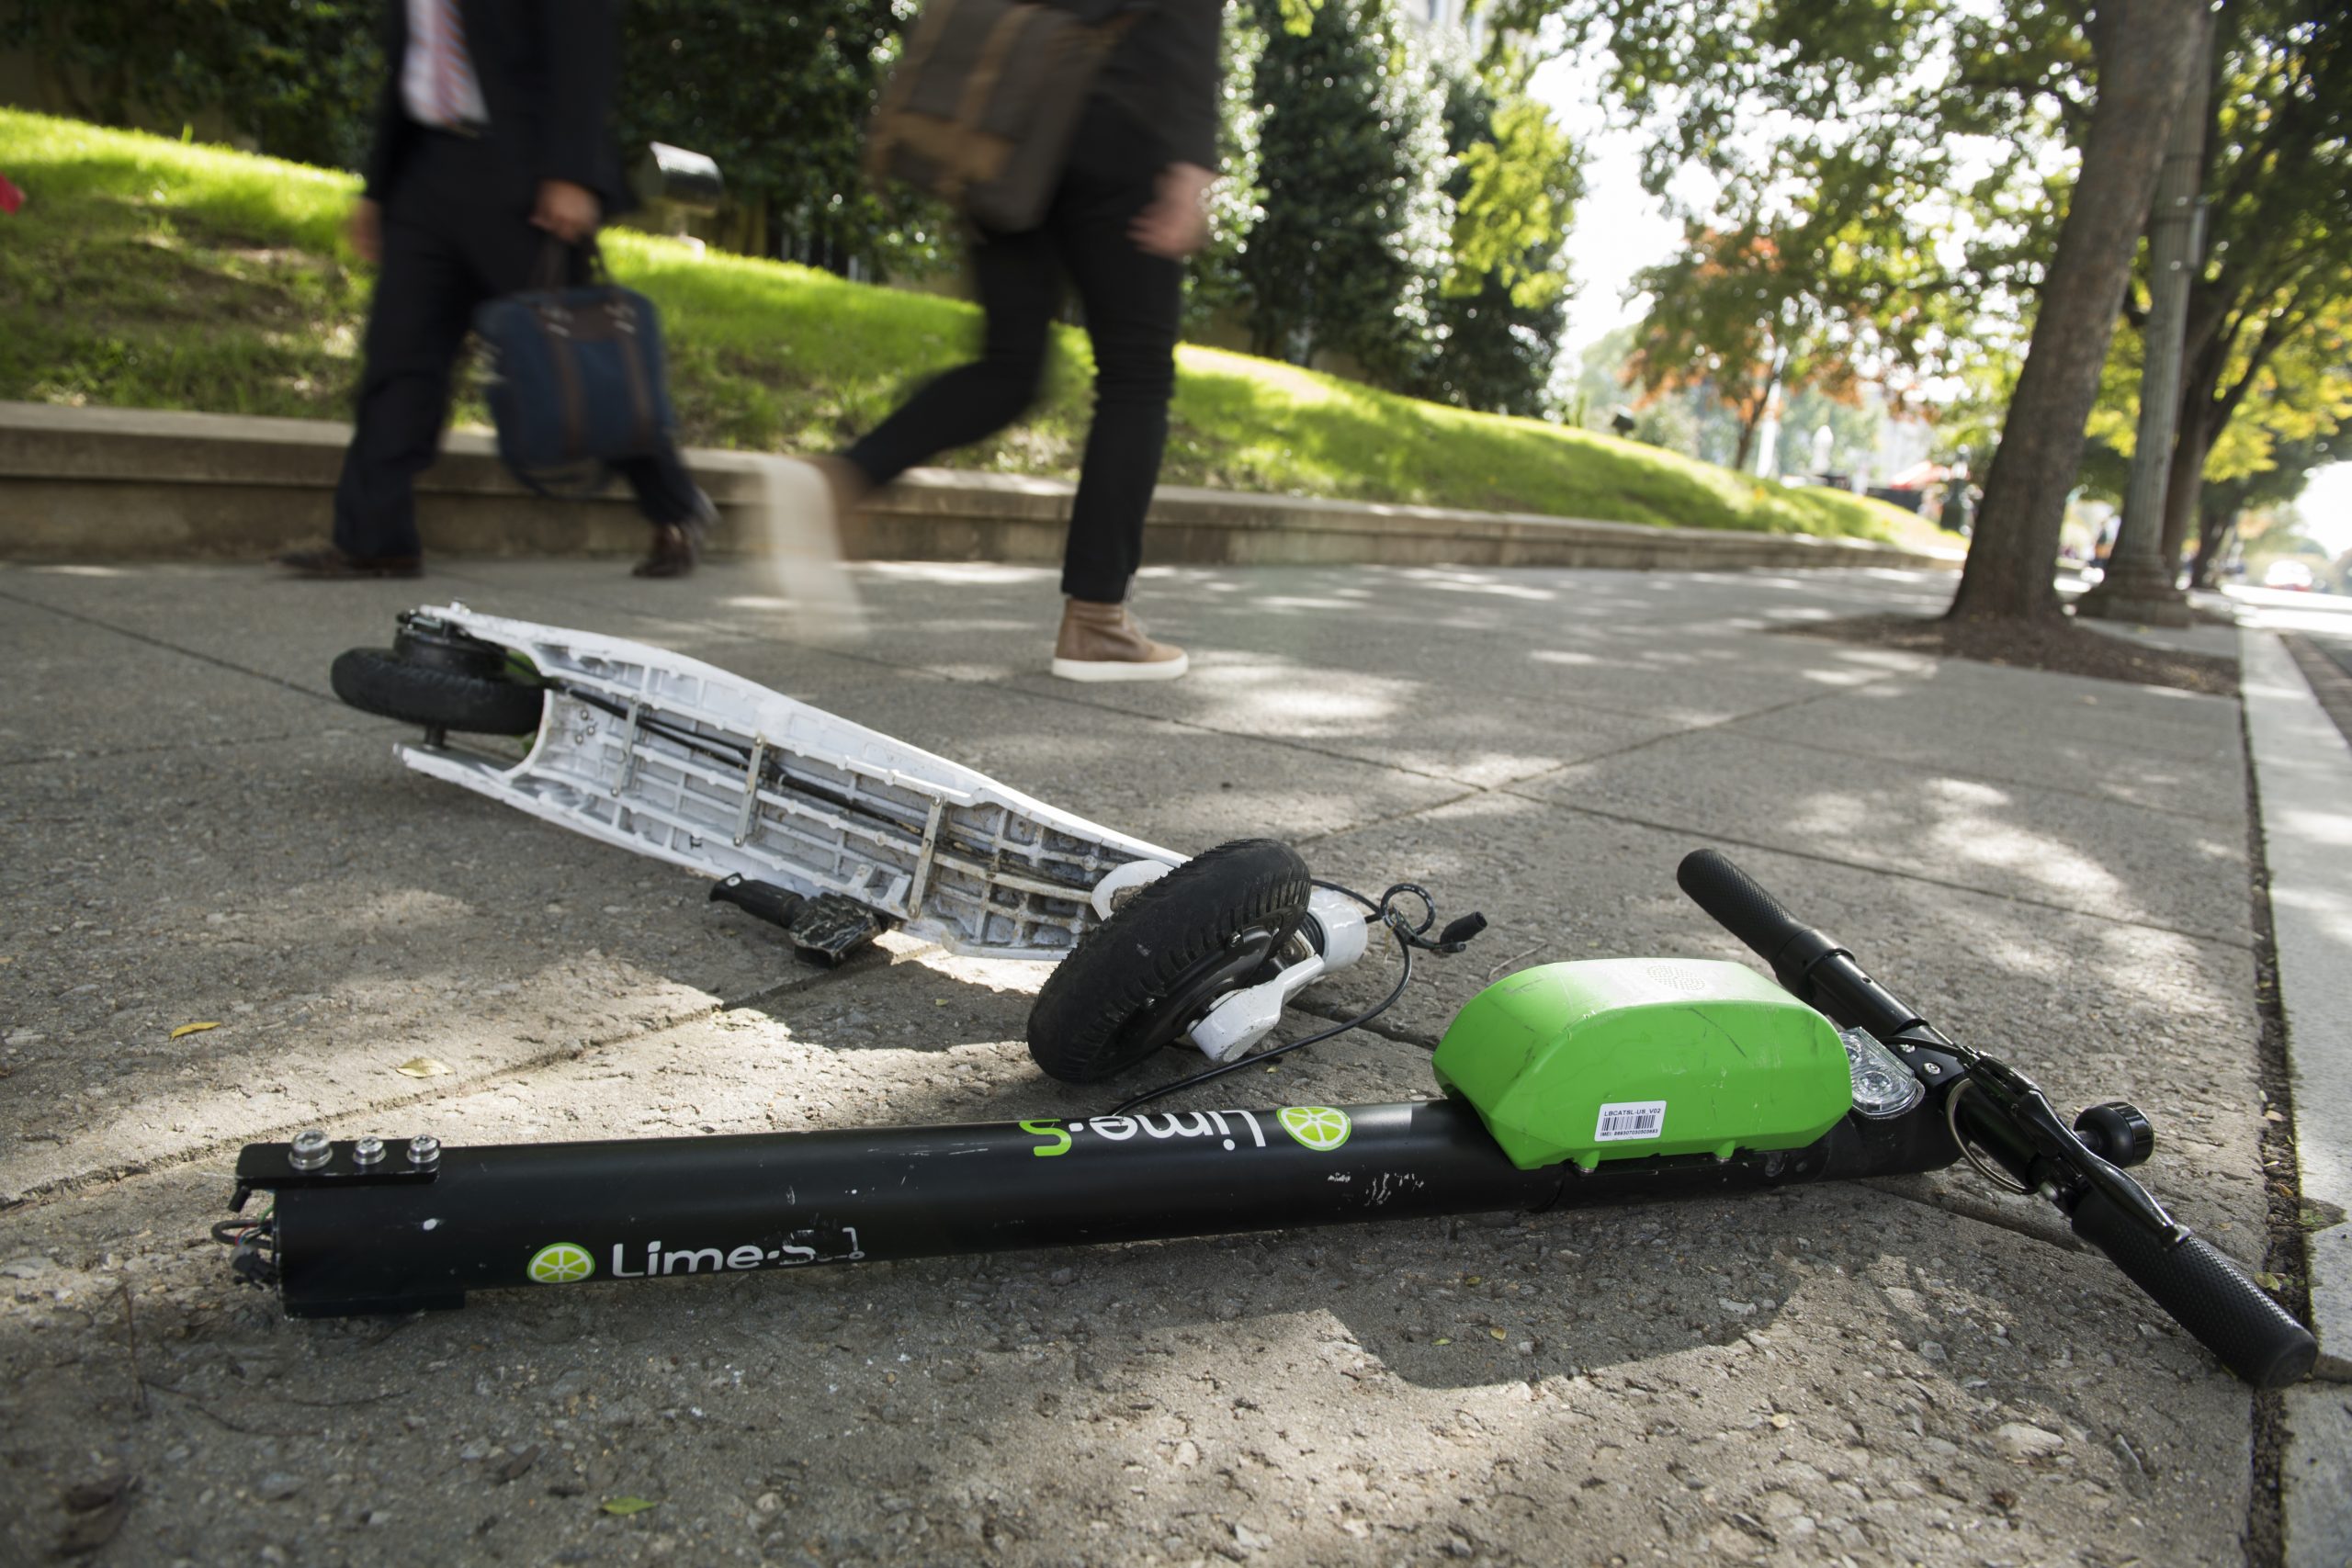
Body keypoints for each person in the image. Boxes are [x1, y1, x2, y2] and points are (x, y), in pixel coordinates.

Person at [823, 0, 1223, 681]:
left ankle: (840, 476)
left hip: (1009, 112)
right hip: (1119, 117)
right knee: (1135, 374)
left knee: (1010, 362)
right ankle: (1095, 621)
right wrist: (1189, 160)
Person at [276, 0, 710, 581]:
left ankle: (674, 507)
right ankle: (375, 538)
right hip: (426, 172)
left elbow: (582, 40)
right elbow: (410, 67)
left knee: (581, 362)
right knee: (398, 357)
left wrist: (572, 172)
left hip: (526, 172)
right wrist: (376, 191)